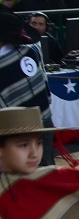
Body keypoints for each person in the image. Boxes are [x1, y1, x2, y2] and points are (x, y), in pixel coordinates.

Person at [0, 12, 56, 165]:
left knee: (23, 171)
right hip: (44, 117)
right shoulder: (32, 51)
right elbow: (44, 84)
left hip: (17, 129)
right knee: (46, 165)